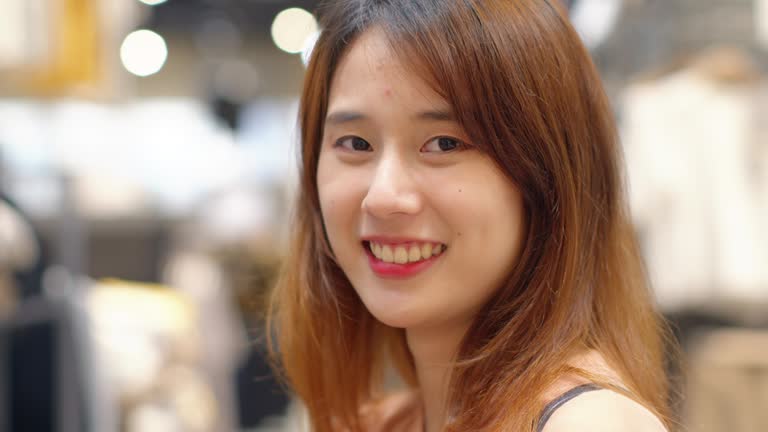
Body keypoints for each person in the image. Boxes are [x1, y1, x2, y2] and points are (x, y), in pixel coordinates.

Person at [267, 1, 676, 431]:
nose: (383, 196)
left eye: (445, 144)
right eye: (355, 143)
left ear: (549, 175)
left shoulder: (588, 424)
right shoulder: (380, 421)